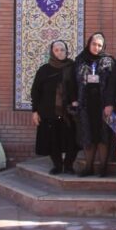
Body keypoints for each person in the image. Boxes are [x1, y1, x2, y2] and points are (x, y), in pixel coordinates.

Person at [70, 33, 115, 177]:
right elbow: (72, 82)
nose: (96, 47)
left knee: (103, 136)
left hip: (103, 105)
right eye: (94, 44)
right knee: (87, 136)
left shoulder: (108, 61)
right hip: (85, 105)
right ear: (89, 44)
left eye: (99, 45)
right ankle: (88, 167)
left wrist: (110, 103)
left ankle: (103, 168)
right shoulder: (80, 60)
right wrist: (74, 99)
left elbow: (112, 84)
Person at [31, 40, 77, 175]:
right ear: (52, 52)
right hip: (49, 112)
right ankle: (57, 165)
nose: (60, 52)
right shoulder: (44, 70)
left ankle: (69, 165)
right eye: (56, 50)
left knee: (72, 140)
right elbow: (36, 91)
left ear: (67, 51)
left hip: (70, 112)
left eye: (62, 50)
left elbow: (79, 86)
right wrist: (35, 111)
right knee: (53, 140)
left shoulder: (73, 68)